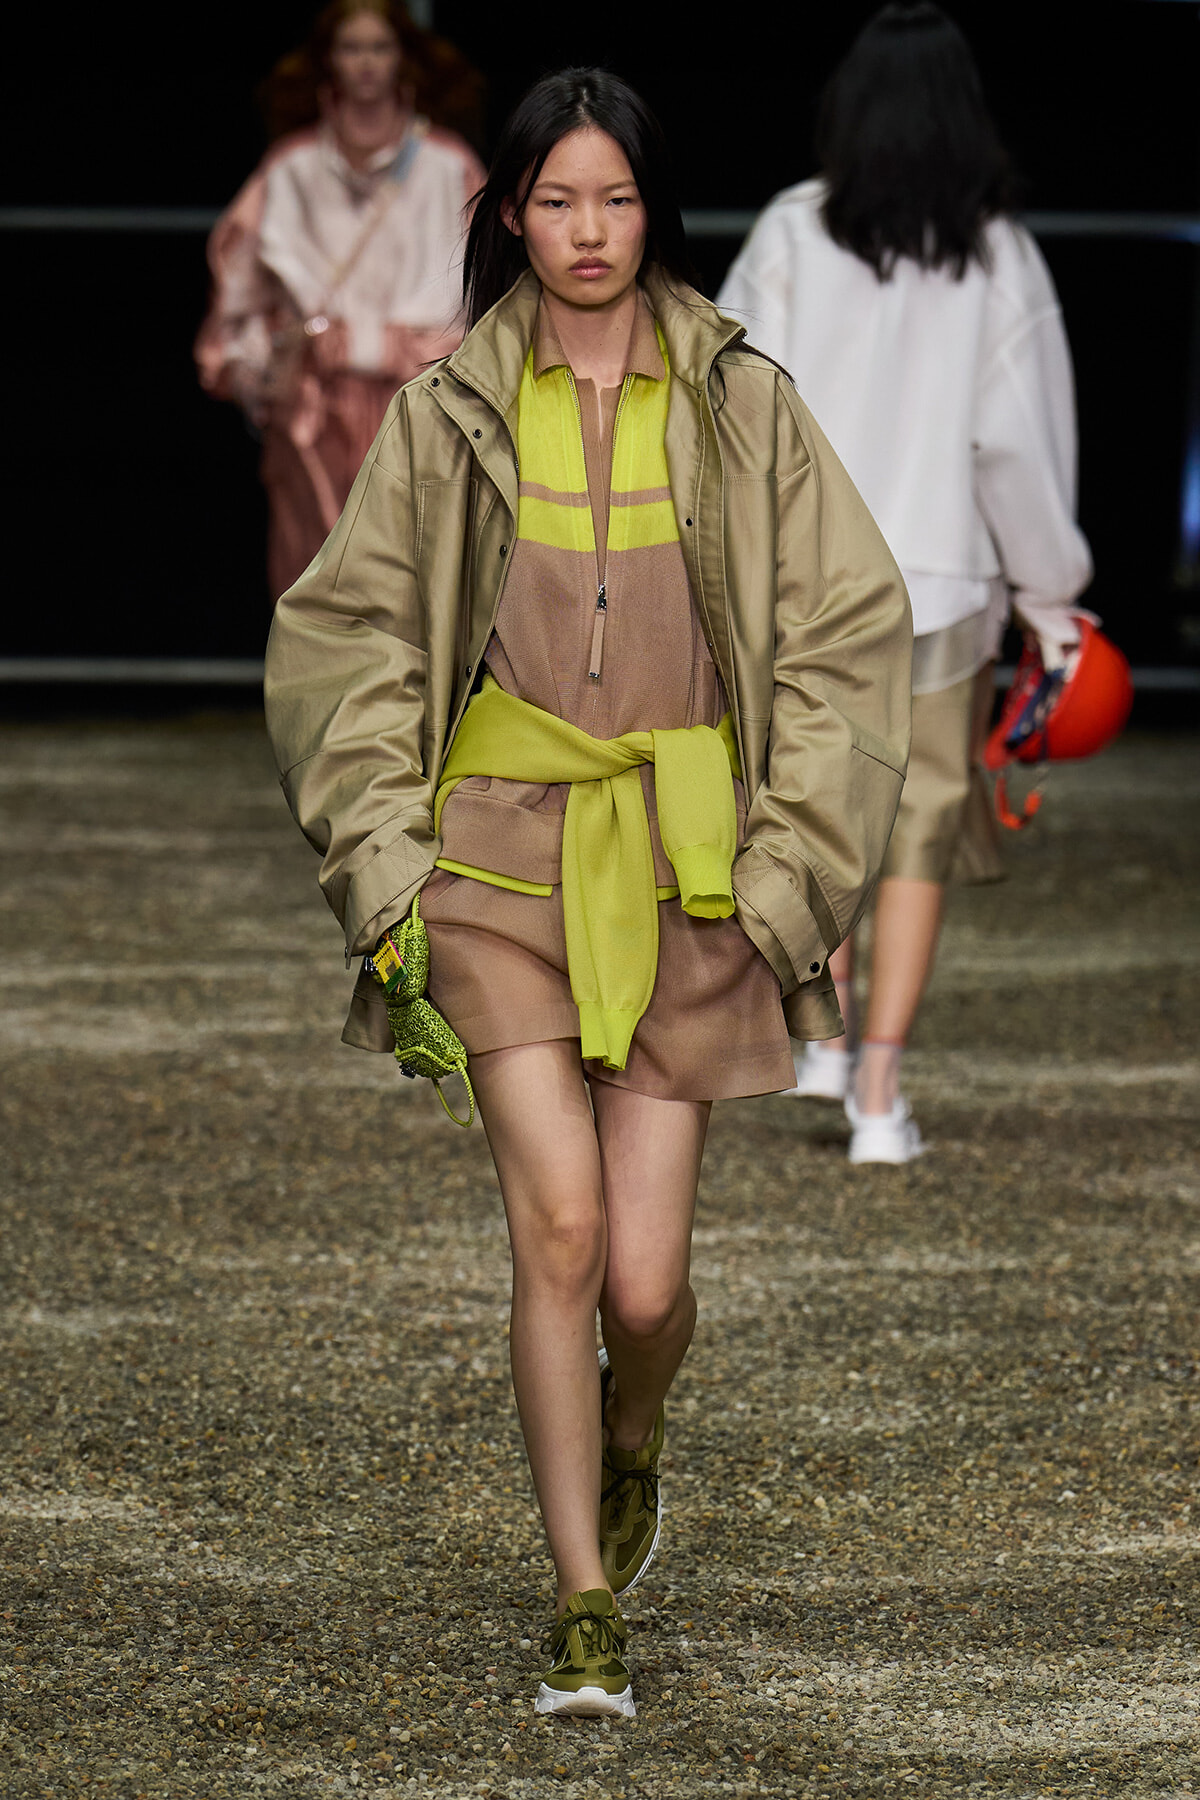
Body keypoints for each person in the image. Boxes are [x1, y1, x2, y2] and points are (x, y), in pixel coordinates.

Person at [264, 68, 911, 1717]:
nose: (587, 231)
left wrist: (785, 882)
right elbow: (341, 642)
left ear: (653, 207)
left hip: (689, 864)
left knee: (643, 1282)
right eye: (556, 201)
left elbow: (848, 636)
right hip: (495, 855)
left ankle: (636, 1435)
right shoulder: (449, 410)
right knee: (553, 1227)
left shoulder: (740, 402)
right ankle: (580, 1602)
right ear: (513, 217)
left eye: (614, 198)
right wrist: (386, 868)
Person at [718, 1, 1093, 1164]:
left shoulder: (789, 227)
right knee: (920, 828)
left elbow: (728, 395)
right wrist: (1050, 591)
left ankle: (819, 1036)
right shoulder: (996, 255)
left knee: (821, 807)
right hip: (936, 580)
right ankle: (879, 1092)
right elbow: (1013, 445)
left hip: (804, 579)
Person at [195, 0, 485, 599]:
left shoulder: (448, 167)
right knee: (314, 595)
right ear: (329, 59)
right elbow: (240, 287)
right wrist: (265, 372)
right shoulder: (292, 169)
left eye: (380, 47)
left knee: (414, 595)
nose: (367, 64)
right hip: (313, 414)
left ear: (404, 57)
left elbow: (487, 292)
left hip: (418, 409)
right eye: (353, 48)